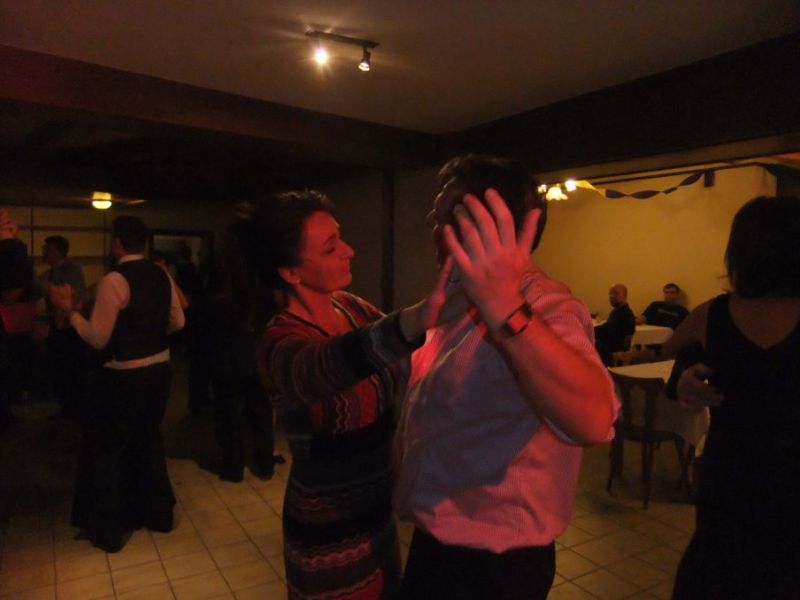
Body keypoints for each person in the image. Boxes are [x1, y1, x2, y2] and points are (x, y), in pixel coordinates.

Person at [395, 155, 618, 600]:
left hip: (495, 562)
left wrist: (508, 312)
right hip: (438, 540)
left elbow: (594, 420)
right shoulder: (457, 294)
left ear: (493, 226)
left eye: (448, 216)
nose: (433, 226)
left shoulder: (548, 306)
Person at [251, 190, 452, 599]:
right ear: (290, 272)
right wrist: (416, 317)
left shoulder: (349, 307)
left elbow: (406, 355)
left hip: (377, 511)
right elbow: (325, 367)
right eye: (330, 247)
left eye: (340, 237)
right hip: (326, 527)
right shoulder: (279, 342)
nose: (349, 250)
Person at [660, 196, 800, 599]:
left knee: (722, 573)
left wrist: (685, 369)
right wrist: (686, 369)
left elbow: (669, 350)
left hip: (730, 470)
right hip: (790, 473)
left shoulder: (715, 313)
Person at [49, 215, 185, 553]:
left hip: (124, 375)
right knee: (148, 439)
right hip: (160, 370)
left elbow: (98, 338)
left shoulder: (114, 280)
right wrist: (150, 336)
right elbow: (178, 322)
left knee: (110, 449)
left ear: (118, 243)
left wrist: (70, 312)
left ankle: (109, 531)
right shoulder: (161, 273)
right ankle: (158, 515)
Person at [203, 218, 282, 482]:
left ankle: (232, 467)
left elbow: (208, 312)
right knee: (260, 410)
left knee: (228, 412)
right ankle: (264, 464)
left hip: (226, 350)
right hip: (258, 348)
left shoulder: (220, 272)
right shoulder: (264, 272)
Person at [39, 235, 87, 417]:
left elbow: (73, 297)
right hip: (58, 325)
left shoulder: (71, 269)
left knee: (69, 367)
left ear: (59, 252)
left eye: (48, 249)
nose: (44, 252)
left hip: (69, 326)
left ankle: (73, 408)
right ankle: (66, 407)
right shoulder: (50, 272)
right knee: (58, 366)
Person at [594, 283, 635, 365]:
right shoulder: (616, 311)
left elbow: (609, 332)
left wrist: (589, 331)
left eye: (616, 293)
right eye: (610, 293)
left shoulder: (625, 313)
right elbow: (606, 328)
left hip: (613, 352)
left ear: (625, 296)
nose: (612, 296)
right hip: (608, 347)